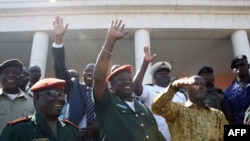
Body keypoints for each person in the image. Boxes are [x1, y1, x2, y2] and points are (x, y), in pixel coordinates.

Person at [93, 19, 165, 141]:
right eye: (120, 80)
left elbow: (157, 135)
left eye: (129, 79)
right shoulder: (107, 103)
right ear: (112, 87)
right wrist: (110, 40)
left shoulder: (143, 108)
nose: (127, 82)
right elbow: (99, 78)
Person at [51, 16, 99, 141]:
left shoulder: (105, 92)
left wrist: (100, 127)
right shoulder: (74, 87)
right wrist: (58, 38)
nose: (89, 73)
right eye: (87, 70)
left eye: (93, 71)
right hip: (73, 136)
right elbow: (60, 69)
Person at [0, 78, 82, 141]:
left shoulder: (72, 131)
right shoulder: (17, 130)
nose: (60, 98)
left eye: (62, 94)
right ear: (36, 98)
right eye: (54, 93)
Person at [152, 75, 228, 141]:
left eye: (203, 85)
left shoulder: (218, 115)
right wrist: (173, 88)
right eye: (195, 84)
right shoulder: (177, 109)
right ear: (186, 89)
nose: (200, 86)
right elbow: (157, 107)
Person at [0, 59, 35, 134]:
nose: (11, 75)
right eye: (6, 72)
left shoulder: (32, 103)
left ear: (21, 78)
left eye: (16, 73)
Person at [223, 55, 250, 124]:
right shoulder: (228, 93)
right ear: (233, 70)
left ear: (248, 66)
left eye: (242, 65)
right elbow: (230, 118)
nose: (240, 68)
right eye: (236, 66)